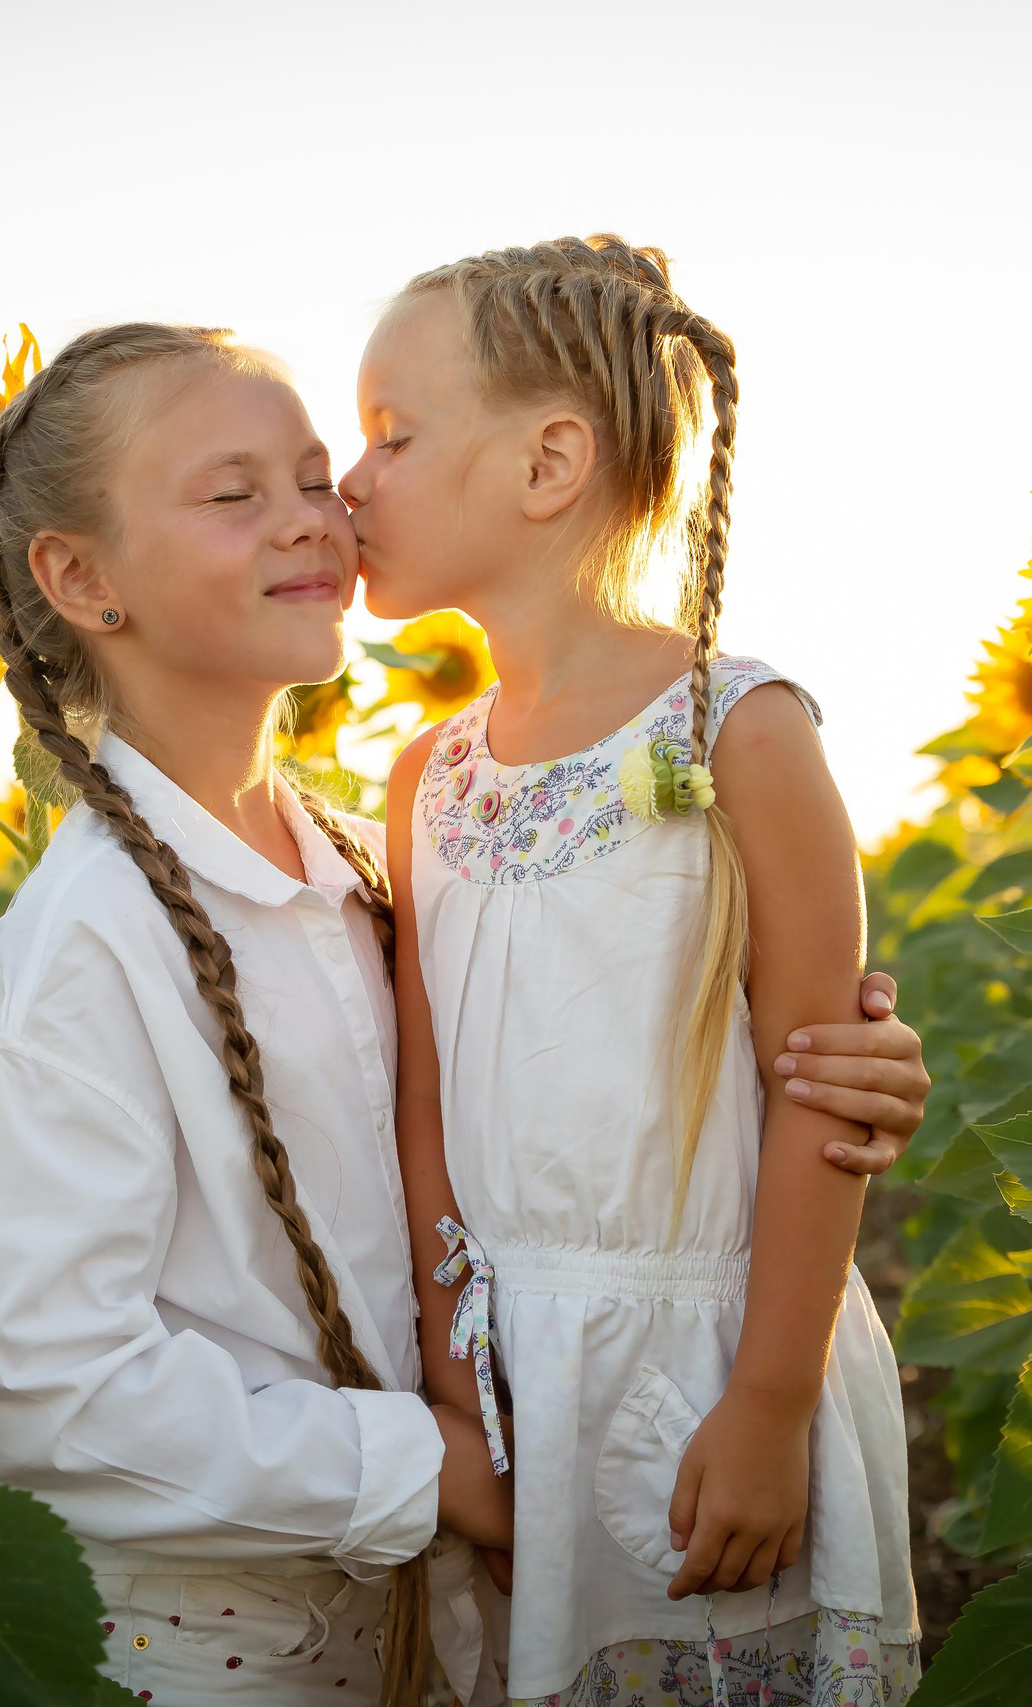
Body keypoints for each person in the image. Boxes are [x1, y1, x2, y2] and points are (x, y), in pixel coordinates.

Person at [0, 320, 930, 1707]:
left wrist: (831, 1061)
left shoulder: (365, 866)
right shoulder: (76, 958)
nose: (316, 517)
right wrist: (434, 1467)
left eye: (320, 471)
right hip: (225, 1655)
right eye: (235, 495)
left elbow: (568, 1053)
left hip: (434, 1619)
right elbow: (51, 1398)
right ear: (82, 577)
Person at [344, 238, 921, 1705]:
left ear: (549, 462)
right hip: (512, 1380)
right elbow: (425, 1111)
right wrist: (454, 1396)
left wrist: (775, 1401)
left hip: (727, 1352)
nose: (351, 482)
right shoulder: (427, 776)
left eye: (392, 437)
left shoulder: (741, 733)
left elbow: (826, 1094)